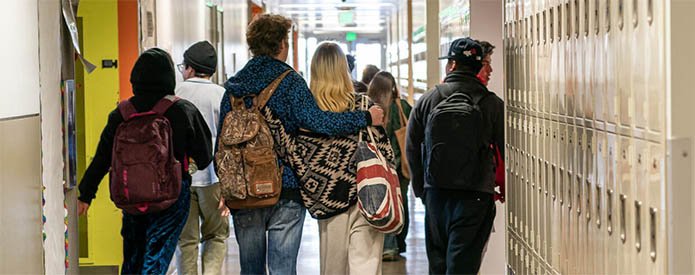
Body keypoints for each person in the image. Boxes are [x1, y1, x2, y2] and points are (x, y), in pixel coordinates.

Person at [219, 14, 384, 275]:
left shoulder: (233, 88)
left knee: (250, 269)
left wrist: (225, 186)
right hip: (286, 188)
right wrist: (364, 117)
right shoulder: (290, 81)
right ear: (282, 43)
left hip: (244, 190)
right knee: (283, 268)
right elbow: (318, 122)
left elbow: (222, 142)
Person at [77, 48, 213, 274]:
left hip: (132, 197)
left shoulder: (122, 113)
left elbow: (102, 157)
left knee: (134, 255)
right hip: (172, 196)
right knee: (157, 255)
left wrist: (85, 194)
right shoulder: (182, 110)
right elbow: (205, 155)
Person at [405, 37, 504, 274]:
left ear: (451, 64)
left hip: (437, 194)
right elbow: (507, 151)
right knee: (463, 265)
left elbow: (411, 147)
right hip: (475, 196)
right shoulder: (492, 104)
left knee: (438, 263)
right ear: (479, 67)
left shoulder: (429, 100)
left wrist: (421, 189)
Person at [304, 42, 391, 275]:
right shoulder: (365, 106)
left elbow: (298, 156)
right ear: (345, 69)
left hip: (327, 202)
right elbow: (386, 152)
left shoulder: (308, 112)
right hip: (368, 194)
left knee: (333, 268)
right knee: (367, 265)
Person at [174, 41, 230, 275]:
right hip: (214, 179)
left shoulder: (174, 95)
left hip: (180, 180)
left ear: (190, 69)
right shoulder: (222, 95)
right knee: (216, 235)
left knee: (186, 240)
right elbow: (229, 141)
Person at [366, 71, 412, 261]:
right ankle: (397, 243)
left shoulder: (369, 107)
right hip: (400, 167)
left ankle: (384, 246)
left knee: (379, 204)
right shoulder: (401, 107)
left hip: (376, 165)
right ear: (392, 87)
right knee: (400, 204)